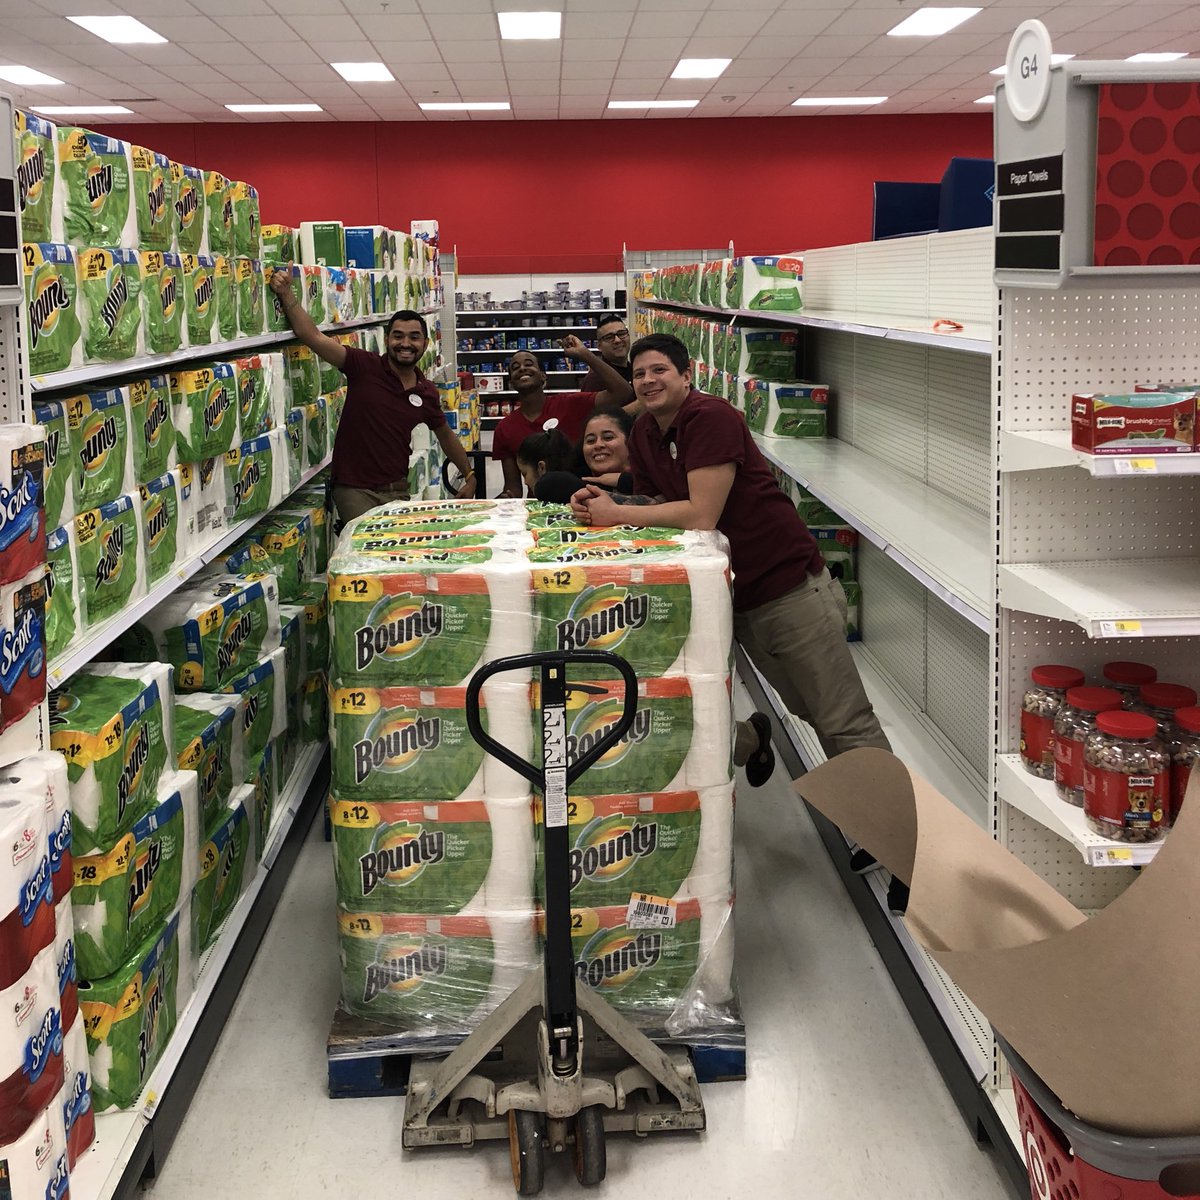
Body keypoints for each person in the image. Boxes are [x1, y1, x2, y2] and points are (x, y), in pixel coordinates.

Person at [570, 332, 892, 803]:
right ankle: (871, 824)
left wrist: (618, 513)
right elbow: (664, 500)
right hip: (740, 599)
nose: (647, 380)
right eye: (639, 373)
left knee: (844, 719)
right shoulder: (643, 433)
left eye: (659, 370)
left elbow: (701, 512)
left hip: (789, 591)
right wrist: (611, 500)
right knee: (810, 711)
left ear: (686, 375)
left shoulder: (710, 417)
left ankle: (911, 846)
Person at [268, 268, 478, 524]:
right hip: (354, 490)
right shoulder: (362, 365)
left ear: (425, 343)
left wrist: (469, 474)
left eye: (414, 338)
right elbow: (311, 336)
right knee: (365, 551)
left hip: (398, 489)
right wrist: (286, 293)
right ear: (387, 339)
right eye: (398, 336)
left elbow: (445, 436)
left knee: (394, 559)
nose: (406, 344)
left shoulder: (426, 392)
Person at [492, 334, 635, 499]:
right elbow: (513, 487)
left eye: (529, 364)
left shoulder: (571, 403)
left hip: (587, 498)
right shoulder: (504, 429)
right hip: (541, 506)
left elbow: (622, 391)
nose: (522, 368)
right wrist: (505, 502)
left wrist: (585, 354)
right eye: (515, 367)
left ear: (543, 376)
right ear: (511, 382)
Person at [579, 313, 632, 392]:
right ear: (599, 346)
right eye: (609, 337)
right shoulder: (595, 379)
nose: (617, 340)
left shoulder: (632, 368)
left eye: (621, 334)